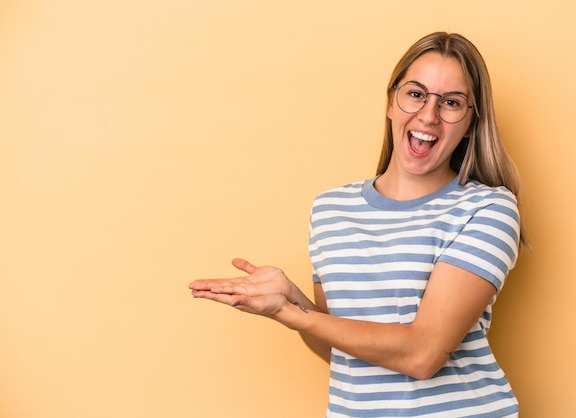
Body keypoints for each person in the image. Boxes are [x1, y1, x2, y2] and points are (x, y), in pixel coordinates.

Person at [190, 31, 527, 417]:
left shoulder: (488, 208)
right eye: (416, 94)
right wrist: (290, 298)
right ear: (391, 102)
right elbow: (337, 345)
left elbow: (423, 354)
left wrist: (289, 312)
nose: (428, 115)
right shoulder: (331, 209)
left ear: (469, 124)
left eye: (451, 102)